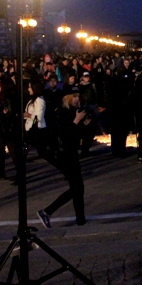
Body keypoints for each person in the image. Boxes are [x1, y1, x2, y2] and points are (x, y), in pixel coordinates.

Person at [37, 89, 91, 228]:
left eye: (78, 96)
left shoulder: (75, 112)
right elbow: (65, 136)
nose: (77, 99)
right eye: (74, 96)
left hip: (71, 152)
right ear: (67, 98)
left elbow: (77, 136)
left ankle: (80, 220)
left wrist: (83, 125)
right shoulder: (60, 113)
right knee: (77, 188)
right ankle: (48, 211)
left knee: (77, 188)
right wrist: (76, 121)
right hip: (63, 154)